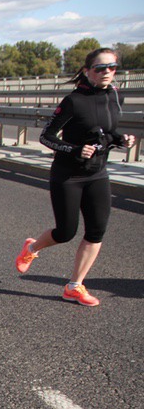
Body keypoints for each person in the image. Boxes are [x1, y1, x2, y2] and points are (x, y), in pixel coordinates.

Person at [15, 48, 136, 307]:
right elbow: (46, 136)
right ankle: (32, 248)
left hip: (97, 173)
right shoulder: (74, 101)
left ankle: (74, 286)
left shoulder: (115, 96)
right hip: (68, 175)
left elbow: (106, 132)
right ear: (87, 70)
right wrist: (74, 149)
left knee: (96, 231)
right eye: (100, 68)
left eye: (112, 67)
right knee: (66, 232)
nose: (107, 72)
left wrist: (121, 139)